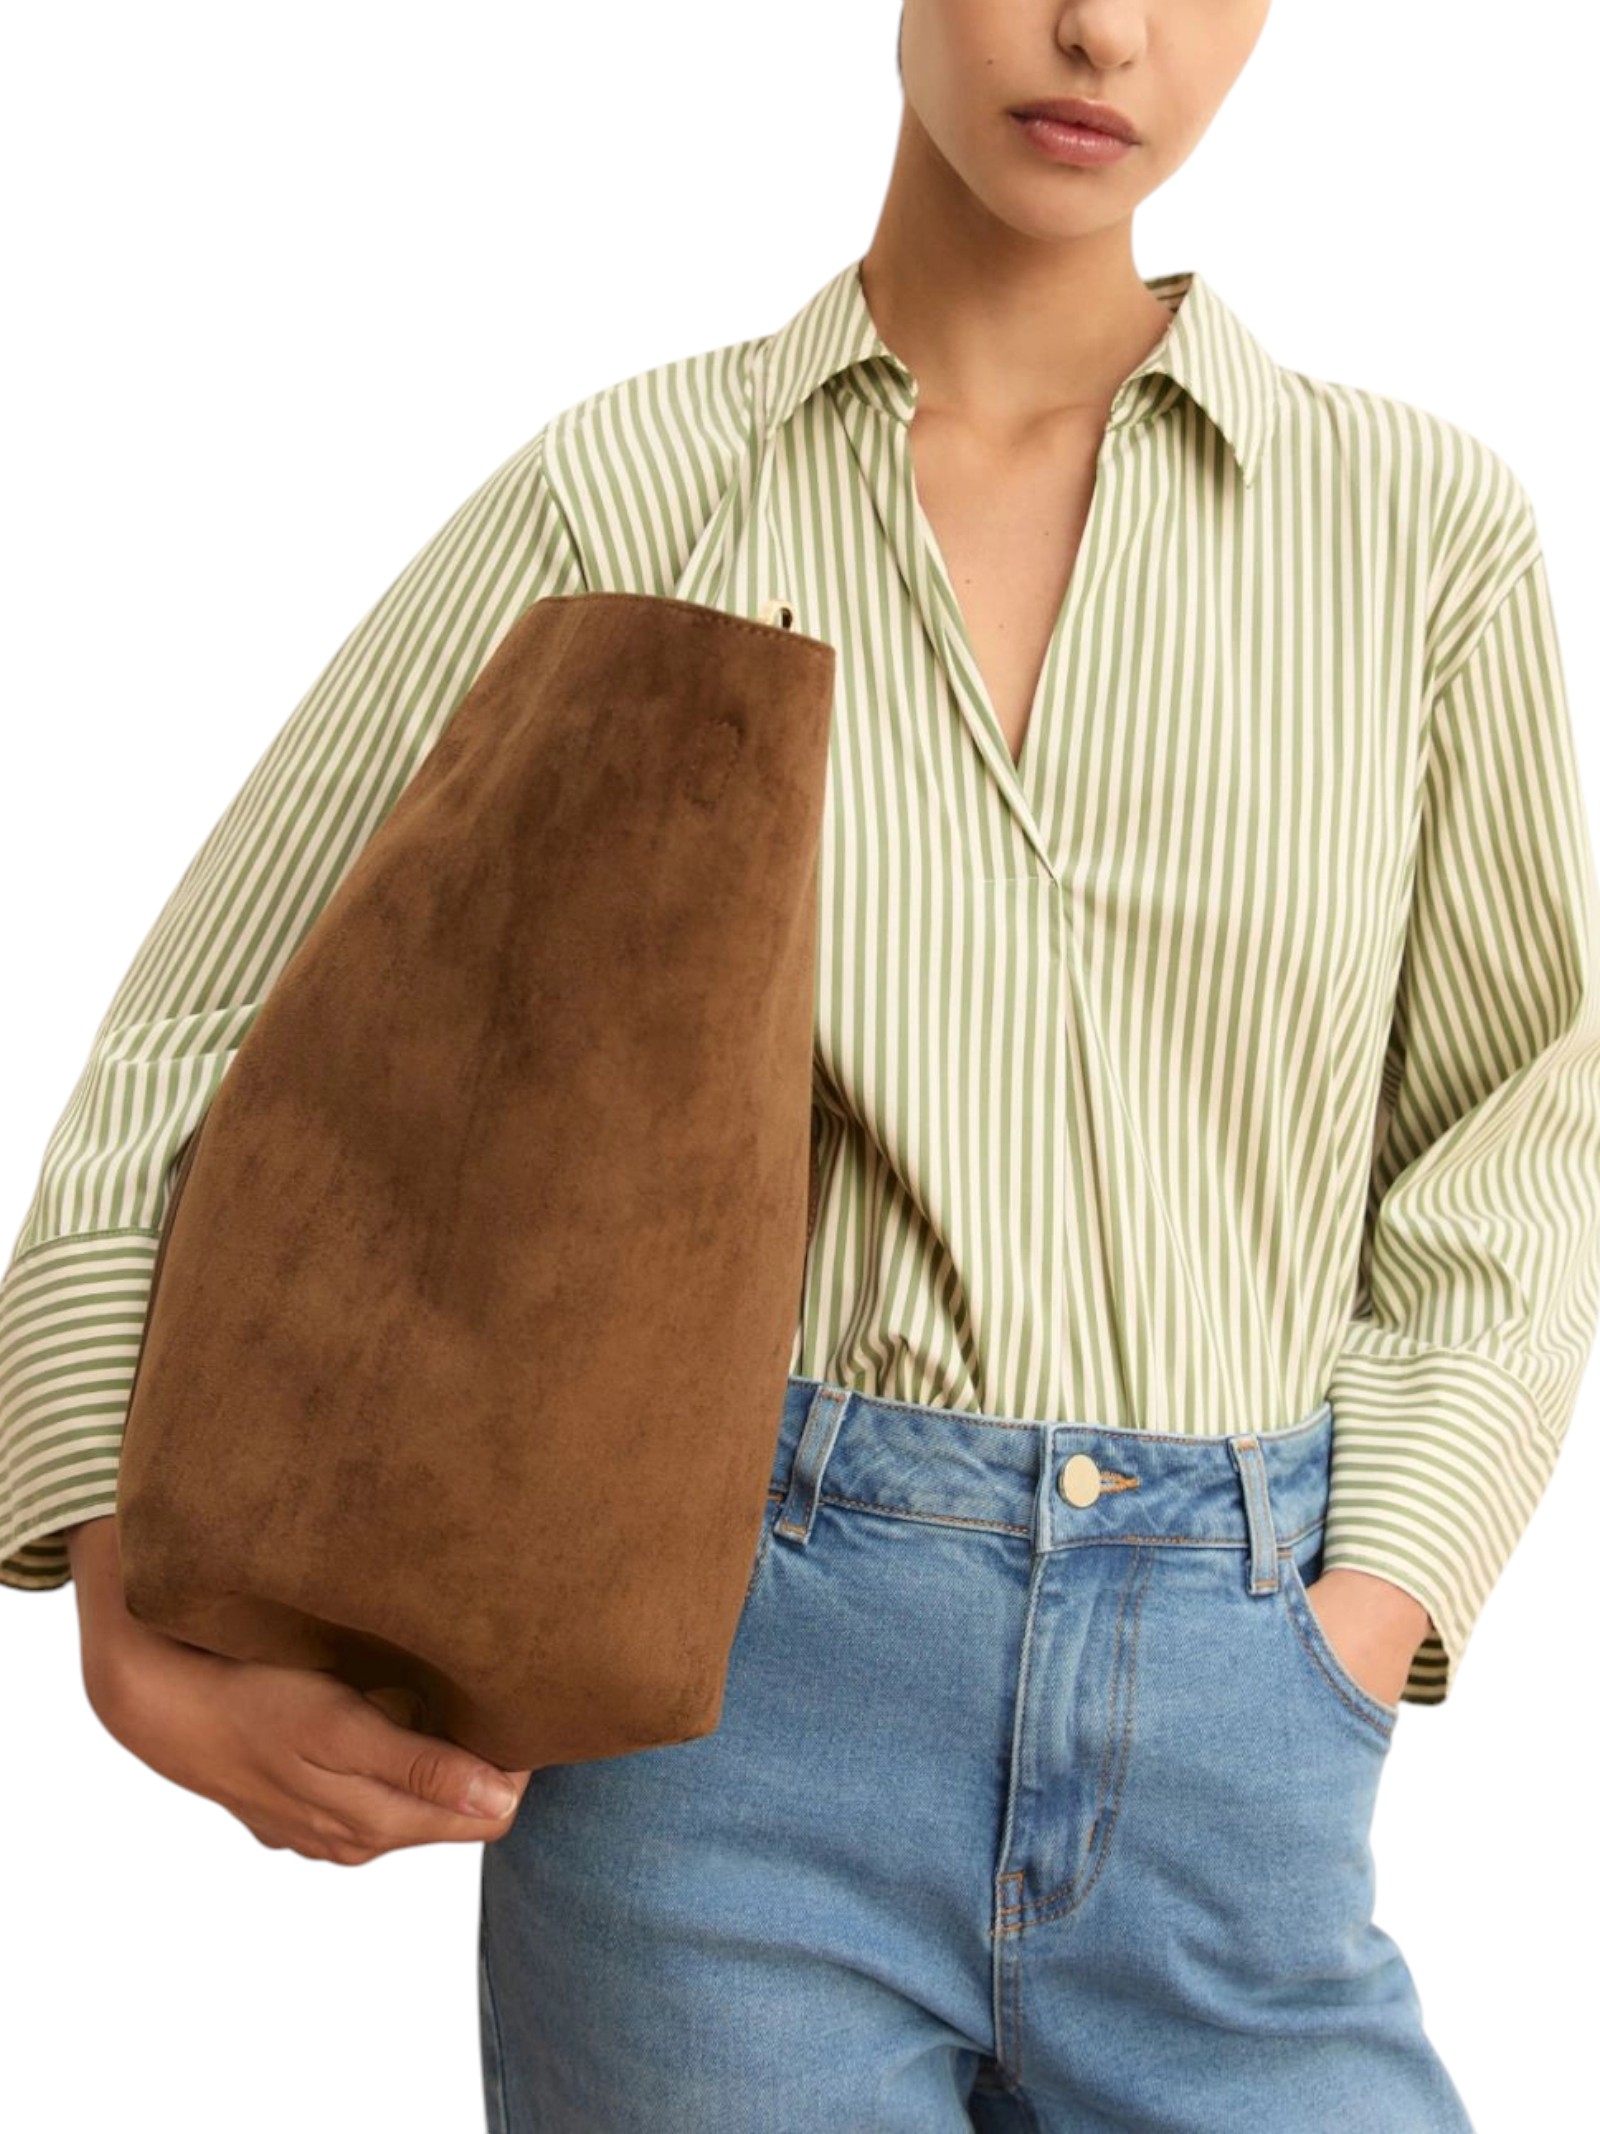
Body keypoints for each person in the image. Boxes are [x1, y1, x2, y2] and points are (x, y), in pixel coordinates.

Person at [3, 2, 1595, 2127]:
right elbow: (202, 1026)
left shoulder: (1415, 529)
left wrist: (1365, 1597)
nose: (1101, 28)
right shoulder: (635, 487)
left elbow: (1521, 1116)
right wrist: (124, 1589)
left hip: (1238, 1722)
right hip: (722, 1746)